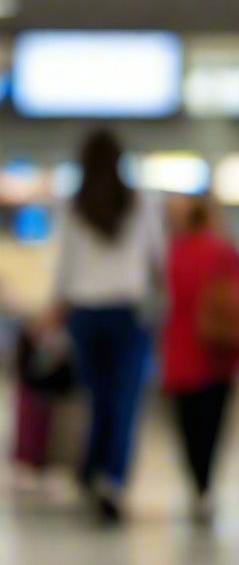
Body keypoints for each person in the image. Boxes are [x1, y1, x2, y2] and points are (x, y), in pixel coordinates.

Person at [46, 130, 163, 522]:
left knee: (96, 399)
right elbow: (157, 259)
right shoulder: (142, 202)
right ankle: (112, 479)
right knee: (124, 400)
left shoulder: (72, 205)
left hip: (85, 313)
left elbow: (63, 266)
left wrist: (53, 311)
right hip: (128, 312)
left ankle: (91, 472)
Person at [162, 194, 239, 523]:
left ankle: (197, 485)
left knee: (187, 428)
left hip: (179, 355)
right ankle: (207, 487)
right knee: (213, 427)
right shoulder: (224, 251)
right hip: (219, 355)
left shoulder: (171, 254)